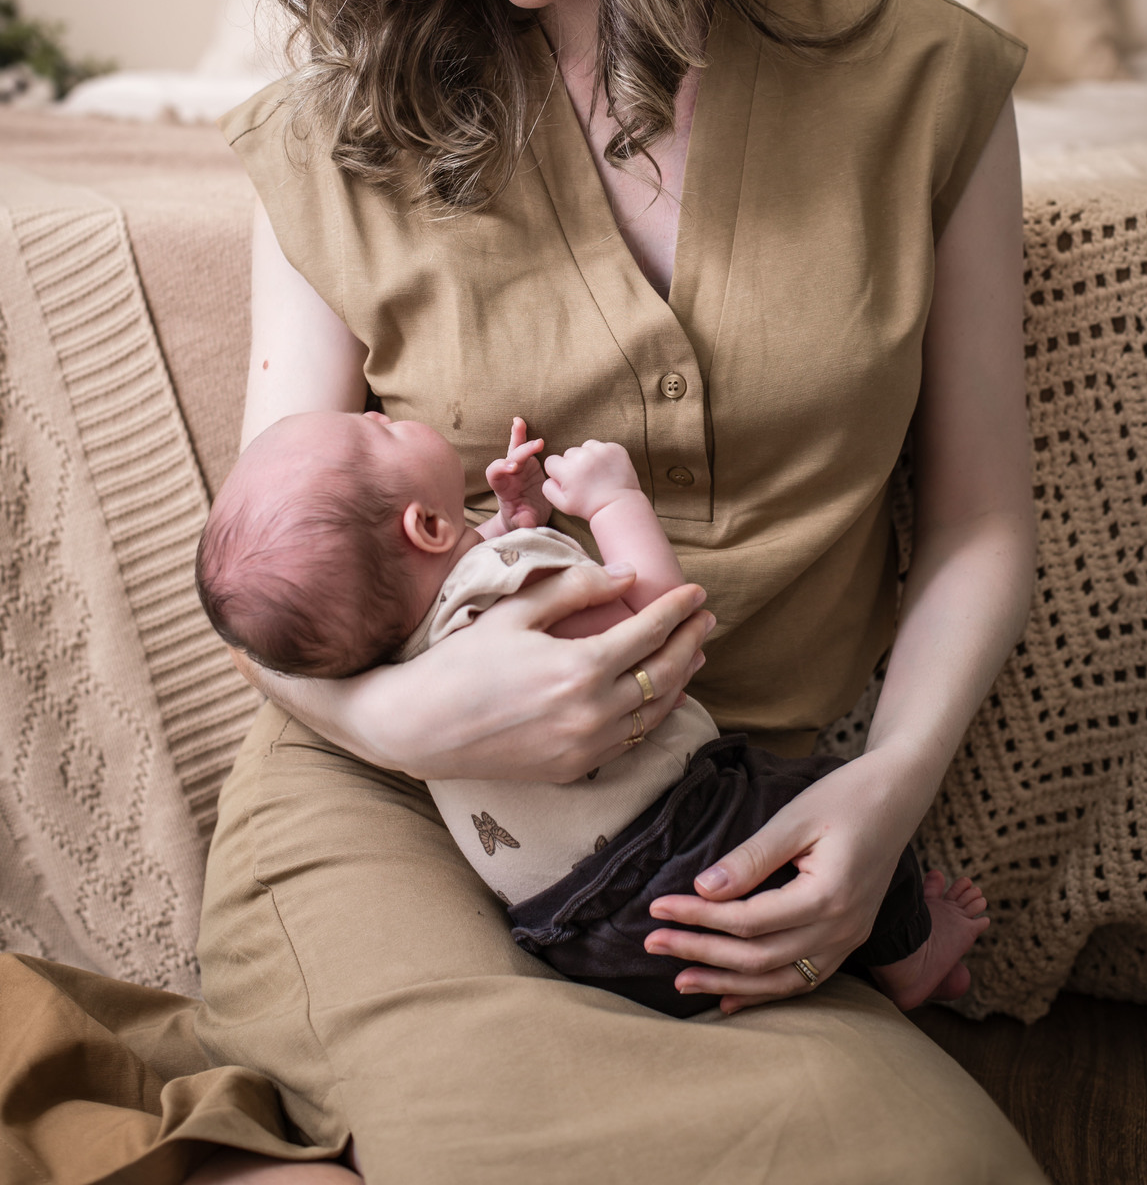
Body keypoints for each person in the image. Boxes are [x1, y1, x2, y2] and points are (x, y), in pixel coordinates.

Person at [193, 0, 1047, 1183]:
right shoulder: (326, 137)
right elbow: (261, 583)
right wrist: (411, 724)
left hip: (721, 841)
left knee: (942, 1167)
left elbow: (976, 521)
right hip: (391, 822)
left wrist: (882, 800)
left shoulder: (929, 88)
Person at [195, 412, 991, 1019]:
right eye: (376, 430)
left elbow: (477, 605)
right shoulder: (501, 581)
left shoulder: (400, 648)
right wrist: (614, 503)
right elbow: (659, 626)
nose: (377, 415)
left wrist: (513, 529)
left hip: (568, 933)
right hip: (674, 853)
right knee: (833, 803)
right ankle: (912, 957)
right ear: (429, 527)